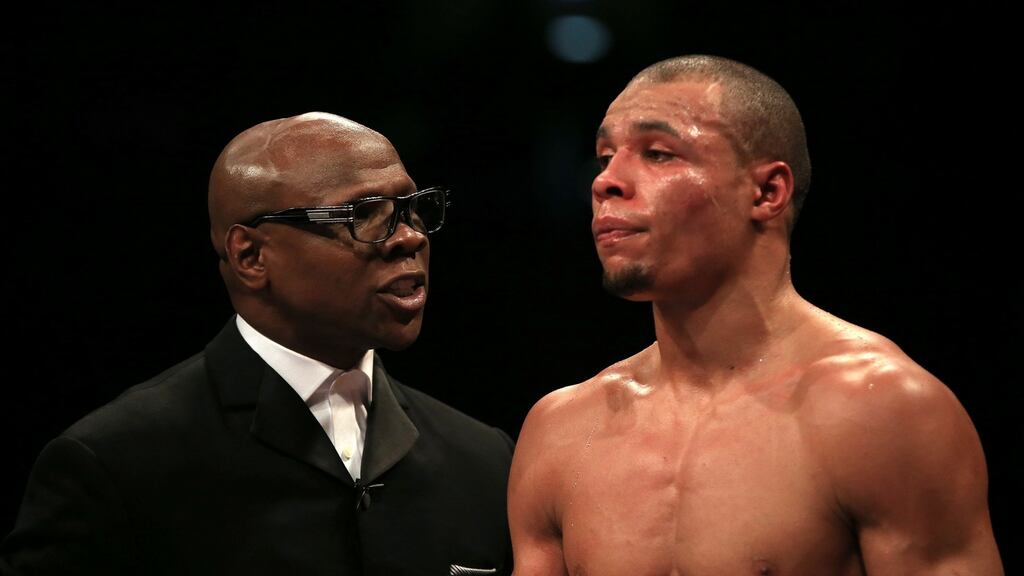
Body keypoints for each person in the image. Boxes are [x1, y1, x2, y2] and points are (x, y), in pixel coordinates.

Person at [508, 56, 1003, 575]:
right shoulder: (560, 431)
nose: (606, 181)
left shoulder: (882, 411)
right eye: (605, 155)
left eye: (657, 154)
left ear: (767, 192)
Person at [2, 112, 513, 575]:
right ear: (250, 257)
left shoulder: (486, 462)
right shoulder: (115, 465)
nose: (410, 238)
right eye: (365, 213)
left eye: (413, 208)